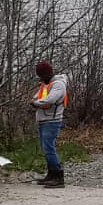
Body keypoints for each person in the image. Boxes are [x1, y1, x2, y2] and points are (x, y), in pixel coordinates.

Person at [30, 60, 68, 188]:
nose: (40, 79)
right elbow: (37, 96)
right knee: (46, 148)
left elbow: (50, 100)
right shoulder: (46, 85)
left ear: (47, 74)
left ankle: (58, 177)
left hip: (52, 121)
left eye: (41, 76)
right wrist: (34, 100)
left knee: (49, 149)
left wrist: (35, 103)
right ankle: (51, 175)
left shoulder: (58, 85)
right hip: (44, 120)